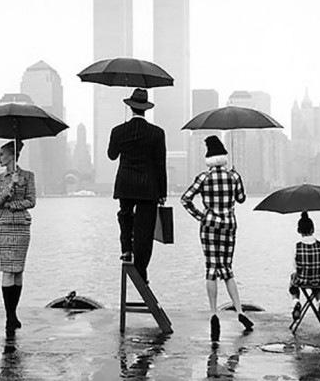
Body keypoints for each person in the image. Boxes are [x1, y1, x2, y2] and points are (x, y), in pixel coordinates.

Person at [181, 135, 254, 343]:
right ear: (224, 157)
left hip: (209, 225)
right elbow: (241, 199)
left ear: (209, 159)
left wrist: (201, 215)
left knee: (211, 269)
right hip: (229, 224)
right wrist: (237, 177)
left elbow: (185, 199)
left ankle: (214, 314)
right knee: (227, 269)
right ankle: (239, 310)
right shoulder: (233, 176)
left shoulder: (203, 178)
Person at [107, 88, 167, 283]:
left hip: (125, 183)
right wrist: (162, 192)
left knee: (125, 216)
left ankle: (126, 250)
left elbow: (111, 155)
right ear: (145, 109)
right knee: (145, 229)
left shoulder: (118, 131)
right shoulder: (157, 133)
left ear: (130, 107)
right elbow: (160, 163)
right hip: (149, 186)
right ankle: (141, 269)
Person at [0, 140, 36, 333]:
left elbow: (31, 201)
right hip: (3, 226)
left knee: (18, 271)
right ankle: (10, 317)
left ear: (12, 155)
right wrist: (11, 186)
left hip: (21, 226)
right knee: (7, 270)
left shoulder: (28, 176)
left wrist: (13, 205)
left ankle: (13, 313)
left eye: (2, 154)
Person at [289, 211, 320, 321]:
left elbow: (295, 266)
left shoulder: (297, 247)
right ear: (313, 230)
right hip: (318, 281)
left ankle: (296, 303)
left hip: (302, 281)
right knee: (317, 286)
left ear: (298, 230)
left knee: (292, 280)